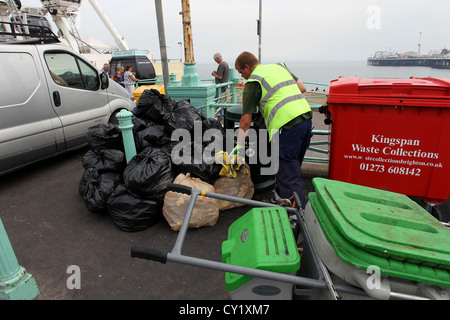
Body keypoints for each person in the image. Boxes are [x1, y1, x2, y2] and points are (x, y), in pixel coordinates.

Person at [234, 51, 312, 209]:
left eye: (241, 72)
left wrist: (239, 146)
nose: (243, 77)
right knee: (291, 167)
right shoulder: (279, 67)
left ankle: (297, 216)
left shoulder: (253, 82)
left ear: (247, 67)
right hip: (306, 118)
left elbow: (245, 120)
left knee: (288, 171)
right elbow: (302, 88)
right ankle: (282, 199)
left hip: (287, 125)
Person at [211, 53, 229, 120]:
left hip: (220, 87)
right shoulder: (226, 64)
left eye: (215, 60)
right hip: (224, 86)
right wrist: (217, 72)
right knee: (222, 101)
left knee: (217, 101)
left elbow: (220, 77)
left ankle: (220, 115)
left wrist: (214, 74)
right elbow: (223, 75)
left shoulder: (221, 65)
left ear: (217, 58)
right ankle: (222, 115)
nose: (215, 61)